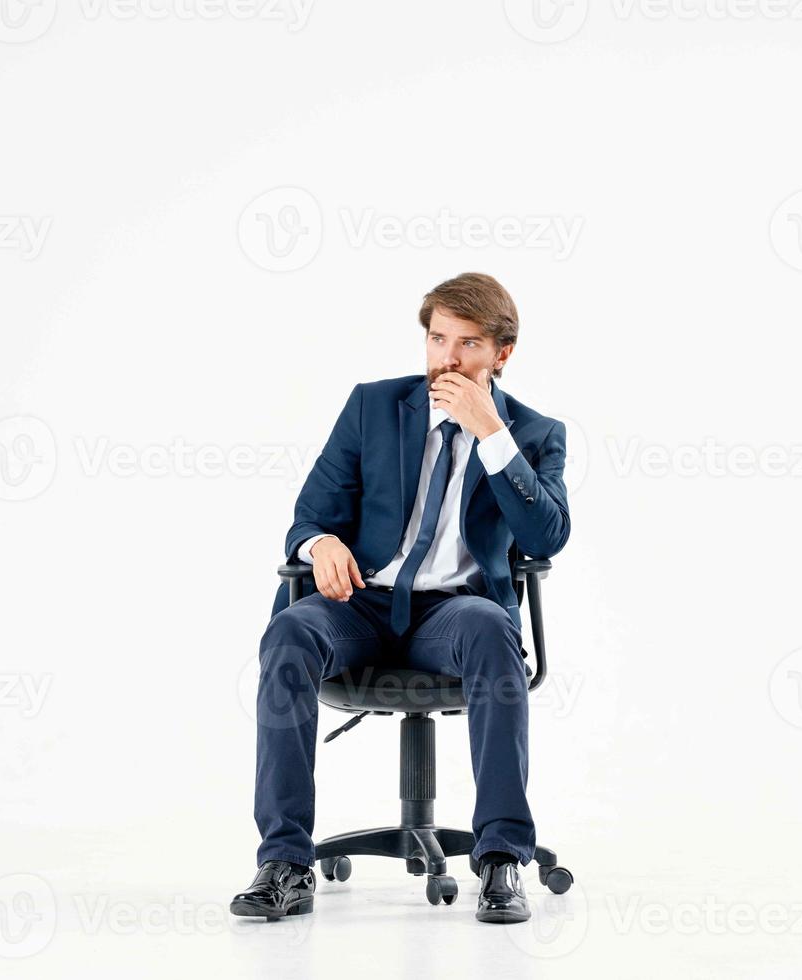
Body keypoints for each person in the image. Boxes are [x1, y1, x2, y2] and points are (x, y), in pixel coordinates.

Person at [231, 272, 571, 925]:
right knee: (289, 633)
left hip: (453, 611)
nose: (447, 358)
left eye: (467, 344)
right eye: (437, 338)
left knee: (490, 626)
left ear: (502, 354)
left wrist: (492, 437)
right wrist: (319, 546)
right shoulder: (373, 407)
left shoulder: (534, 433)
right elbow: (308, 517)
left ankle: (502, 858)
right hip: (359, 602)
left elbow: (545, 535)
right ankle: (284, 862)